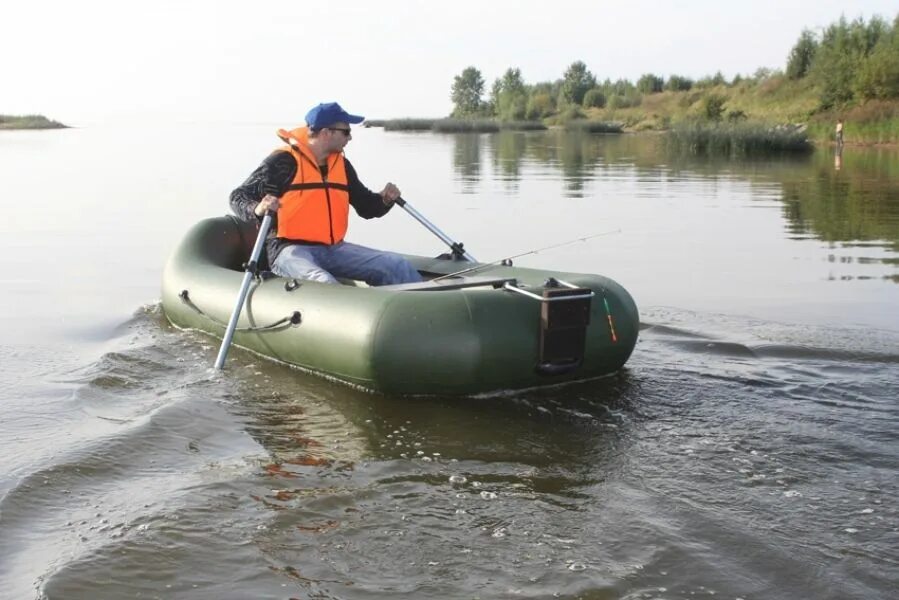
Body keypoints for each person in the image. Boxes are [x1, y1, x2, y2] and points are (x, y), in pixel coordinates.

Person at [230, 102, 422, 286]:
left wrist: (385, 199)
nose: (350, 138)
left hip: (334, 249)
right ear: (326, 132)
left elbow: (366, 207)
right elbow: (238, 196)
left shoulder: (342, 166)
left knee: (396, 266)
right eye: (346, 131)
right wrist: (258, 208)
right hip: (288, 250)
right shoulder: (282, 162)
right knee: (325, 284)